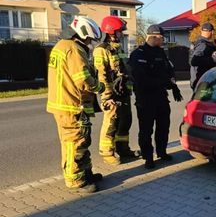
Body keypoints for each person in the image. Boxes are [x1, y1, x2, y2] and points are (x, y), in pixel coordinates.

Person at [46, 16, 105, 193]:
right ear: (83, 33)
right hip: (70, 105)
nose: (90, 43)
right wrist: (100, 86)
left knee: (82, 139)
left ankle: (85, 172)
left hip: (66, 103)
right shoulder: (73, 49)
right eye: (89, 39)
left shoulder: (62, 46)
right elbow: (83, 79)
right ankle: (75, 179)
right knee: (74, 142)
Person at [128, 25, 183, 169]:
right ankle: (148, 157)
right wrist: (164, 81)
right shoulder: (138, 54)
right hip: (145, 98)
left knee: (163, 126)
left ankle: (161, 152)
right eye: (162, 38)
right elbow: (142, 79)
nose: (164, 41)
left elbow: (168, 70)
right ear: (154, 37)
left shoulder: (161, 53)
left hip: (161, 97)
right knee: (146, 129)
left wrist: (174, 86)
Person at [93, 16, 140, 166]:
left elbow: (125, 69)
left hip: (123, 92)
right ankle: (107, 152)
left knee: (125, 121)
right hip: (111, 94)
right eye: (120, 31)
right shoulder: (101, 50)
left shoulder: (118, 48)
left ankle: (123, 148)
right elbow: (102, 75)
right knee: (111, 122)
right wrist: (107, 97)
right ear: (112, 31)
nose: (122, 34)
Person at [189, 22, 216, 90]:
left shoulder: (198, 42)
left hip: (199, 80)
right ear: (211, 32)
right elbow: (194, 61)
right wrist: (213, 58)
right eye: (212, 31)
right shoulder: (203, 45)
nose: (213, 33)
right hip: (202, 81)